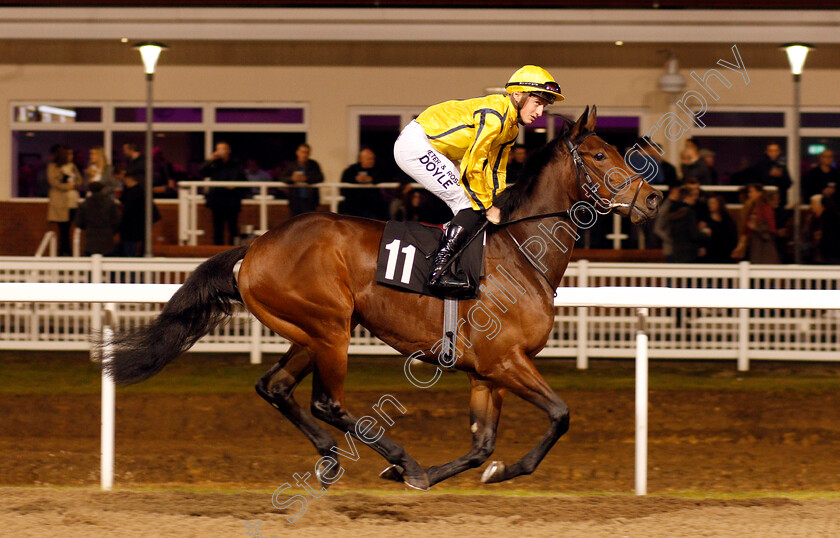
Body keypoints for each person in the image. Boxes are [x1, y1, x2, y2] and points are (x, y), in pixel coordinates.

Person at [394, 65, 563, 292]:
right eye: (537, 103)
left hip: (438, 150)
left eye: (544, 106)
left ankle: (457, 266)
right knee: (468, 204)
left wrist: (499, 203)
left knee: (477, 206)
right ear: (518, 95)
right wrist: (486, 206)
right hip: (416, 145)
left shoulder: (511, 128)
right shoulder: (494, 115)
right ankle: (438, 272)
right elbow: (474, 166)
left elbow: (495, 171)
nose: (540, 112)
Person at [200, 141, 247, 245]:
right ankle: (218, 252)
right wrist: (211, 159)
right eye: (218, 149)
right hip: (217, 200)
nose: (220, 151)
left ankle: (233, 251)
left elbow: (244, 180)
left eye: (222, 149)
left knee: (233, 228)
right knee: (217, 228)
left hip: (232, 200)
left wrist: (235, 186)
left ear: (228, 151)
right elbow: (201, 172)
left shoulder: (236, 164)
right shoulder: (214, 164)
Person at [46, 145, 82, 256]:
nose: (71, 156)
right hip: (61, 203)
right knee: (63, 229)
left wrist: (75, 184)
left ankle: (67, 249)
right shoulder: (53, 167)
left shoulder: (73, 166)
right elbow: (54, 182)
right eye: (69, 154)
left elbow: (80, 180)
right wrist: (67, 186)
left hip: (72, 202)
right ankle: (64, 250)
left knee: (70, 227)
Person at [731, 183, 780, 264]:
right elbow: (746, 230)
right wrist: (740, 246)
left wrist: (756, 227)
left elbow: (771, 228)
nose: (749, 195)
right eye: (749, 192)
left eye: (751, 192)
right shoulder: (751, 208)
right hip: (754, 244)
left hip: (763, 245)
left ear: (759, 193)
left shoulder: (765, 208)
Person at [74, 181, 120, 256]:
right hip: (107, 236)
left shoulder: (84, 204)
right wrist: (112, 231)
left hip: (90, 237)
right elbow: (116, 221)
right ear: (102, 189)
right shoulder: (110, 203)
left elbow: (79, 223)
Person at [339, 148, 386, 220]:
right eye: (369, 159)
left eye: (373, 159)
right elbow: (343, 184)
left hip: (372, 205)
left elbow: (385, 178)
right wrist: (355, 180)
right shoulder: (351, 170)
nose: (372, 161)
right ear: (361, 159)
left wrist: (372, 179)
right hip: (354, 204)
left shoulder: (378, 169)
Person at [278, 143, 324, 216]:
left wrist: (307, 178)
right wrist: (292, 179)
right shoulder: (291, 165)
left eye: (307, 152)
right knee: (295, 222)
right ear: (297, 153)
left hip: (310, 200)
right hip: (295, 199)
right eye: (303, 152)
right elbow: (282, 177)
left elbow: (320, 178)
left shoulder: (313, 164)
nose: (304, 155)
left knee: (309, 221)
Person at [750, 142, 792, 208]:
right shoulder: (760, 165)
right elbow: (755, 182)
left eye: (776, 151)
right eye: (771, 151)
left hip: (779, 202)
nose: (773, 153)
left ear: (779, 152)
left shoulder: (781, 165)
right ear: (767, 152)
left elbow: (788, 183)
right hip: (764, 201)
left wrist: (779, 177)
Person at [116, 166, 145, 257]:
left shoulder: (136, 193)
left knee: (130, 255)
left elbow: (129, 212)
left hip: (132, 232)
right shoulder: (132, 191)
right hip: (130, 232)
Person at [699, 194, 737, 263]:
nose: (710, 205)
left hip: (724, 252)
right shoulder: (705, 219)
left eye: (713, 203)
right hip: (710, 253)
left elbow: (732, 236)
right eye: (709, 203)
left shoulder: (727, 219)